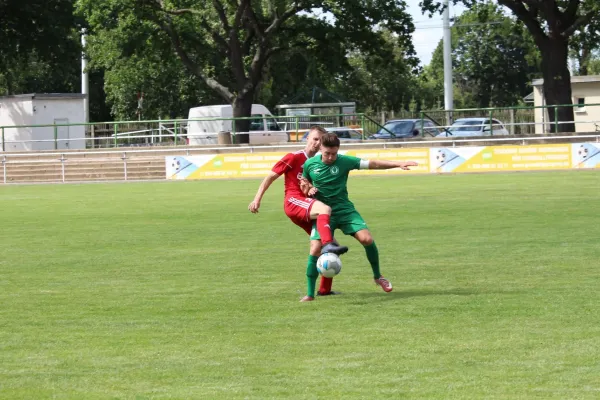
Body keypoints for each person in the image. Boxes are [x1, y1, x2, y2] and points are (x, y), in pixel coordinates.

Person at [301, 132, 418, 297]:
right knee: (314, 249)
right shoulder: (310, 164)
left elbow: (373, 163)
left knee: (367, 239)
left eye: (334, 153)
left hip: (345, 210)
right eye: (327, 153)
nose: (331, 157)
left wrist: (398, 164)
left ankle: (378, 277)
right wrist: (308, 189)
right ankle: (309, 295)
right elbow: (304, 186)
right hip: (323, 213)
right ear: (320, 148)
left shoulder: (344, 161)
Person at [248, 125, 348, 302]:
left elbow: (311, 185)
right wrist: (257, 199)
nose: (318, 143)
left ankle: (320, 291)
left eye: (321, 140)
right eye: (315, 139)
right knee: (326, 221)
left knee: (321, 248)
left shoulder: (318, 162)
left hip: (309, 205)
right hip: (294, 202)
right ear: (308, 138)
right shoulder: (294, 157)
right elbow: (270, 177)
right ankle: (327, 244)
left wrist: (311, 188)